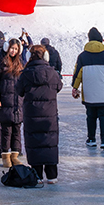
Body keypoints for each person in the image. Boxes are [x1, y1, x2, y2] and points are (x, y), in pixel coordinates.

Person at [17, 44, 63, 184]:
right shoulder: (52, 73)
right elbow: (59, 87)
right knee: (49, 142)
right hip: (49, 114)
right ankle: (52, 175)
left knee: (34, 142)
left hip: (32, 114)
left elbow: (19, 91)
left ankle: (37, 175)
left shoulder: (25, 73)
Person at [72, 27, 104, 150]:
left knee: (91, 115)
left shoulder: (82, 57)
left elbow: (77, 73)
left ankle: (91, 139)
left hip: (89, 93)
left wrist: (75, 87)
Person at [0, 38, 25, 171]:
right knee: (6, 130)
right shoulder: (1, 63)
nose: (13, 51)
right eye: (12, 48)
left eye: (16, 49)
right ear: (6, 48)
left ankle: (15, 155)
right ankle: (5, 155)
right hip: (5, 101)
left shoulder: (20, 63)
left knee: (17, 130)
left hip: (17, 102)